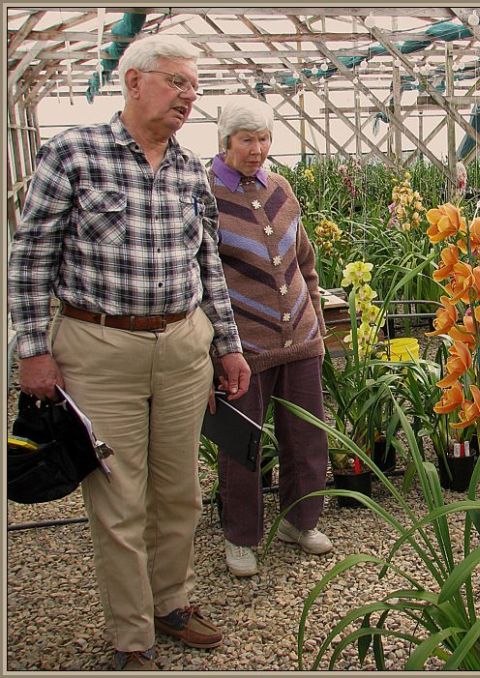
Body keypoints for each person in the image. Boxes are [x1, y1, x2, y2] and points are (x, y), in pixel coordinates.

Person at [7, 34, 251, 671]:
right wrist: (32, 350)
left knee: (180, 492)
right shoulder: (72, 154)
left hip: (181, 344)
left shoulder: (188, 170)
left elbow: (209, 267)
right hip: (99, 344)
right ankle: (131, 636)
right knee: (118, 494)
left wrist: (226, 346)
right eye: (177, 83)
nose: (188, 97)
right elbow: (30, 259)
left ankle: (172, 603)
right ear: (134, 81)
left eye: (193, 87)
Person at [209, 97, 332, 579]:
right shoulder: (206, 193)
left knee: (306, 437)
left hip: (300, 336)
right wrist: (220, 346)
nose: (257, 149)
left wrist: (316, 319)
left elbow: (305, 262)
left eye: (263, 139)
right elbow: (205, 275)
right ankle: (241, 537)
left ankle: (301, 522)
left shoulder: (280, 189)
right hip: (243, 346)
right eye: (247, 140)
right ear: (226, 142)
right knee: (241, 443)